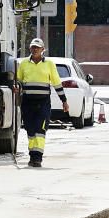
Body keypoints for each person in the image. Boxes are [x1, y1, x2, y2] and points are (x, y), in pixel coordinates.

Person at [15, 38, 67, 168]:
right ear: (30, 49)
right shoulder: (24, 64)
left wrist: (64, 101)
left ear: (43, 49)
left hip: (43, 103)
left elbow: (56, 83)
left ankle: (38, 158)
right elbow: (19, 81)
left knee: (40, 129)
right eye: (33, 47)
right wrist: (17, 87)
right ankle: (32, 155)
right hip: (27, 102)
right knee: (30, 130)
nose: (35, 49)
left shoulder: (49, 64)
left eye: (37, 47)